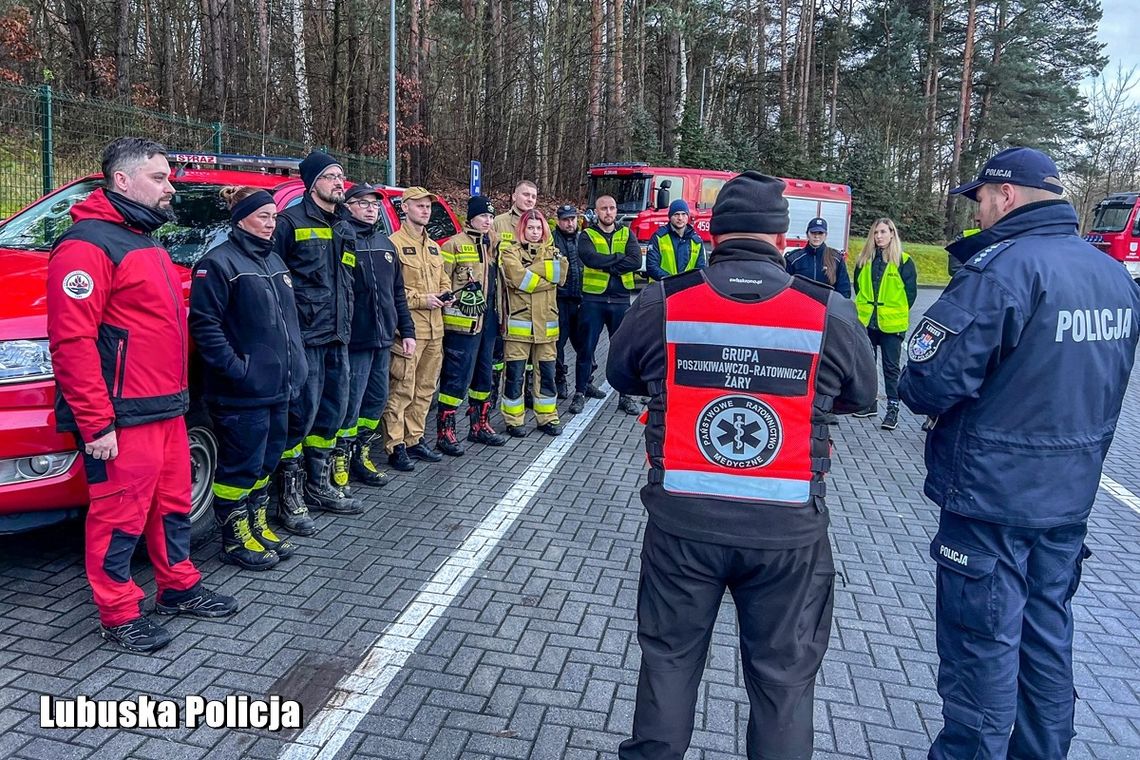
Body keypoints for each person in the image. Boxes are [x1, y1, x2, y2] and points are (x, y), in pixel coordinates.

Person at [607, 171, 877, 759]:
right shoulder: (826, 310)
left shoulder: (665, 301)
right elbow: (862, 396)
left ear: (714, 233)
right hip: (787, 532)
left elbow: (620, 374)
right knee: (782, 683)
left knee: (669, 666)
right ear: (781, 238)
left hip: (683, 526)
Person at [899, 147, 1140, 760]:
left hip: (991, 501)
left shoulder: (1001, 270)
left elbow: (929, 381)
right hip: (1067, 501)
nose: (976, 211)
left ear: (1005, 196)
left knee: (980, 653)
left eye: (979, 199)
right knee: (1045, 644)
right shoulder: (1111, 275)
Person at [46, 137, 238, 652]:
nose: (169, 186)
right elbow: (72, 343)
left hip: (167, 408)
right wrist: (97, 423)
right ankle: (118, 612)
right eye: (160, 178)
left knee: (173, 505)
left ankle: (177, 586)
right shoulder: (87, 245)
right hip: (123, 417)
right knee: (118, 516)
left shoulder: (145, 240)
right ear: (123, 181)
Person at [190, 186, 307, 569]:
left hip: (280, 387)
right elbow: (206, 327)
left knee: (265, 461)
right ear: (242, 219)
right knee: (240, 465)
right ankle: (234, 537)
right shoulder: (218, 264)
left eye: (274, 217)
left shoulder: (274, 261)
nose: (271, 223)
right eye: (263, 217)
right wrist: (238, 370)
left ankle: (256, 521)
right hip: (243, 391)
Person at [273, 150, 361, 516]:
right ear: (312, 184)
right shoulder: (288, 224)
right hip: (305, 339)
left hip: (338, 337)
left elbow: (347, 280)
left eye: (341, 176)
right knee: (301, 415)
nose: (339, 182)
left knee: (332, 413)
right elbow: (276, 285)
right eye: (330, 176)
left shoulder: (344, 225)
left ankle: (318, 484)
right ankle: (288, 496)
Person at [340, 183, 415, 487]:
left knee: (375, 401)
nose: (371, 209)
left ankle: (362, 452)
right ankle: (340, 460)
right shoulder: (342, 239)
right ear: (348, 207)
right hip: (355, 339)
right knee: (350, 404)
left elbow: (397, 292)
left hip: (384, 338)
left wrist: (407, 331)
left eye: (375, 204)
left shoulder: (386, 244)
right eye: (363, 203)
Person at [383, 187, 451, 471]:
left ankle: (415, 439)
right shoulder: (393, 245)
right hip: (409, 330)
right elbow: (392, 292)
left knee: (424, 390)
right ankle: (394, 445)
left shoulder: (434, 246)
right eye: (420, 206)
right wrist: (423, 299)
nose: (425, 211)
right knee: (402, 389)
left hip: (436, 329)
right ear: (405, 209)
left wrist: (448, 294)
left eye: (428, 207)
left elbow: (444, 279)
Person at [435, 195, 507, 456]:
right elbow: (442, 281)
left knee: (484, 375)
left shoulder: (494, 244)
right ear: (471, 218)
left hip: (489, 321)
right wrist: (457, 292)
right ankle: (445, 431)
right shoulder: (454, 245)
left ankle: (479, 425)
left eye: (490, 216)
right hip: (462, 324)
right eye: (482, 216)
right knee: (456, 378)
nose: (487, 220)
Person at [497, 210, 568, 436]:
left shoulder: (554, 252)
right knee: (515, 376)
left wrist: (530, 272)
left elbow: (561, 275)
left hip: (546, 327)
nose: (535, 232)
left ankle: (547, 417)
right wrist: (547, 277)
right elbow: (521, 280)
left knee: (546, 375)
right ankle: (513, 420)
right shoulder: (510, 252)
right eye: (531, 228)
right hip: (519, 326)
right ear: (522, 230)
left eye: (539, 228)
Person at [571, 194, 643, 416]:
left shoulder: (626, 233)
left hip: (621, 300)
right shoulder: (587, 235)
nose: (609, 212)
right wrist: (618, 259)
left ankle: (625, 396)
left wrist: (608, 263)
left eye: (612, 208)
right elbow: (590, 259)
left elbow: (636, 261)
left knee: (623, 351)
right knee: (586, 349)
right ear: (597, 211)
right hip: (594, 299)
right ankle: (580, 393)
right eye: (604, 208)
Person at [851, 217, 917, 431]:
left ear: (892, 234)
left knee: (891, 368)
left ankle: (893, 409)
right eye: (876, 232)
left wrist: (894, 311)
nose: (879, 236)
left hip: (891, 324)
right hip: (868, 321)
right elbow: (859, 288)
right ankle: (870, 403)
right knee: (868, 365)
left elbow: (910, 294)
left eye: (883, 232)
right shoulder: (864, 260)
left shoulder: (904, 261)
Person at [553, 205, 585, 400]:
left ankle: (586, 381)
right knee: (558, 345)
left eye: (572, 219)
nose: (570, 223)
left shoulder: (584, 239)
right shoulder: (552, 240)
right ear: (558, 221)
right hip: (560, 300)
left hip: (581, 300)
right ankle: (560, 379)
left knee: (584, 344)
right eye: (565, 219)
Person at [785, 217, 852, 298]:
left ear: (826, 235)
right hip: (800, 307)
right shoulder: (793, 259)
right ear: (807, 234)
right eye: (813, 232)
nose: (816, 236)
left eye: (820, 233)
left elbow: (844, 289)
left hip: (827, 308)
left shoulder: (836, 259)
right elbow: (785, 287)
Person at [645, 199, 706, 281]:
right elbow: (652, 266)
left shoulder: (697, 241)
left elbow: (702, 269)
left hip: (688, 289)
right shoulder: (659, 237)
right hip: (663, 289)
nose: (680, 218)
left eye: (683, 214)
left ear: (688, 216)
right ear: (670, 217)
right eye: (676, 214)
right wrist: (673, 281)